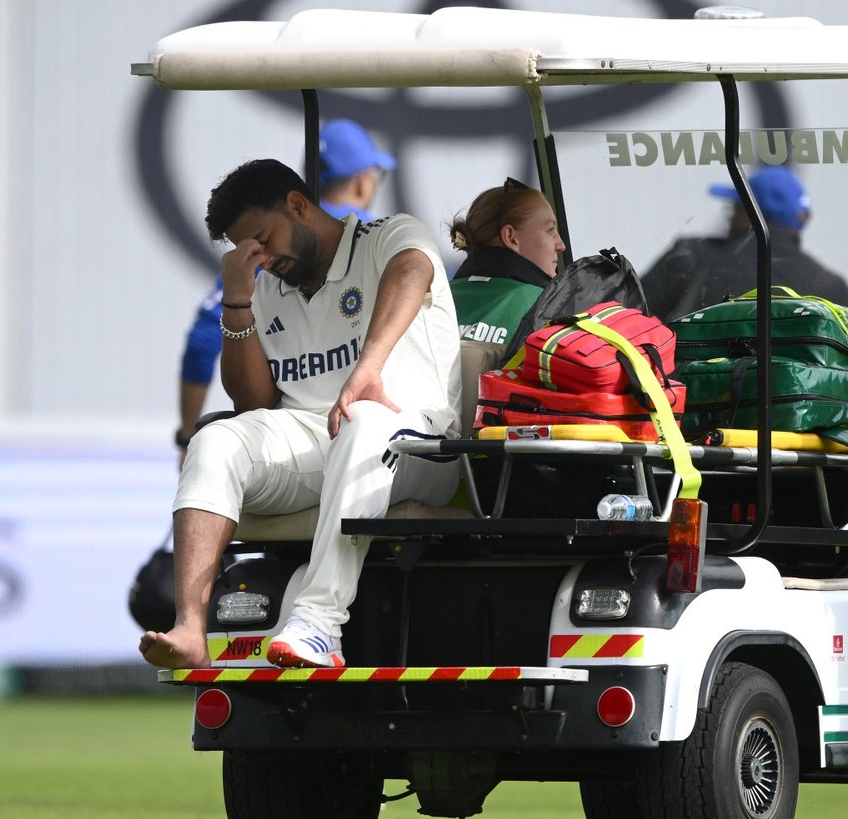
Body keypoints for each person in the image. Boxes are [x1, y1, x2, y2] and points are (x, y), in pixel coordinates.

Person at [140, 159, 461, 670]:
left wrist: (369, 366)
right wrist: (238, 300)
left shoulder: (387, 236)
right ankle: (190, 628)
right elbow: (254, 405)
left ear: (298, 206)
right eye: (247, 249)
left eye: (264, 239)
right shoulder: (263, 285)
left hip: (419, 442)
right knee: (218, 439)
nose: (261, 258)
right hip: (318, 438)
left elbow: (413, 269)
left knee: (364, 419)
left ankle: (319, 624)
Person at [174, 119, 398, 459]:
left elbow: (201, 343)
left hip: (286, 447)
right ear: (362, 182)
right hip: (376, 438)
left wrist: (187, 435)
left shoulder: (260, 250)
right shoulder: (374, 241)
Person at [641, 165, 848, 321]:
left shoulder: (691, 257)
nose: (729, 217)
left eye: (734, 208)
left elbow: (623, 320)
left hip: (698, 383)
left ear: (748, 214)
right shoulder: (832, 288)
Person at [448, 177, 565, 345]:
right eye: (550, 230)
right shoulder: (549, 306)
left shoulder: (433, 301)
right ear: (511, 238)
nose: (561, 245)